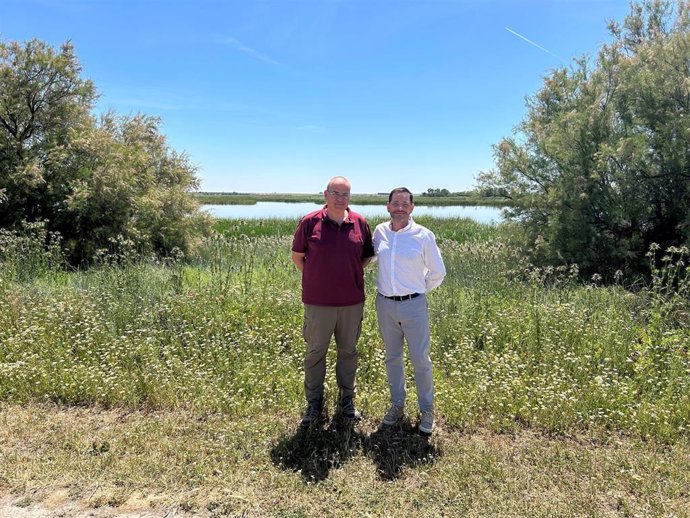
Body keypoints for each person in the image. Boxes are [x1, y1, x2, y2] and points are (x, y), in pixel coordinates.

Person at [291, 176, 374, 427]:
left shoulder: (360, 223)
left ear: (350, 197)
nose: (341, 198)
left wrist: (347, 275)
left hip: (351, 302)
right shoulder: (309, 222)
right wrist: (319, 277)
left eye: (345, 194)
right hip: (318, 303)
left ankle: (346, 403)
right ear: (325, 194)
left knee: (348, 353)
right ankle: (313, 406)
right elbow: (298, 258)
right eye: (335, 193)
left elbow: (366, 258)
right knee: (315, 353)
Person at [373, 187, 446, 434]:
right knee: (392, 357)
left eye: (405, 204)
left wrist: (417, 290)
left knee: (420, 360)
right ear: (388, 206)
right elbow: (370, 258)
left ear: (412, 208)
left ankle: (427, 410)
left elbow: (438, 272)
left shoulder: (423, 235)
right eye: (396, 203)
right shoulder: (380, 232)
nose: (400, 208)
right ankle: (397, 404)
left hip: (414, 305)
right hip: (384, 304)